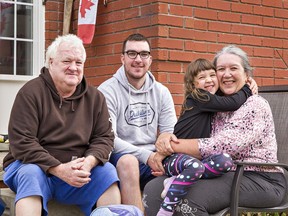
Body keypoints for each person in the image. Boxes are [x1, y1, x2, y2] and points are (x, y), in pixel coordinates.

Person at [143, 45, 287, 216]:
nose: (226, 74)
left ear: (246, 75)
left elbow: (224, 146)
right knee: (153, 189)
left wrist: (170, 147)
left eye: (234, 68)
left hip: (260, 178)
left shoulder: (255, 105)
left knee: (190, 198)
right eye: (220, 69)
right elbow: (190, 129)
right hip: (219, 172)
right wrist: (167, 139)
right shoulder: (214, 105)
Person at [3, 34, 121, 216]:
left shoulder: (95, 98)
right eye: (67, 61)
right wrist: (59, 169)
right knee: (30, 173)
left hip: (77, 170)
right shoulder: (30, 93)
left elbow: (104, 138)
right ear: (51, 62)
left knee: (107, 172)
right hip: (33, 166)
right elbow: (23, 143)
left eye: (79, 63)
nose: (73, 68)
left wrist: (89, 162)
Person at [156, 58, 253, 216]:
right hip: (174, 158)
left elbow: (225, 99)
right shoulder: (198, 96)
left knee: (226, 161)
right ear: (193, 84)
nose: (209, 80)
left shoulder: (210, 100)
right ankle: (165, 210)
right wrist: (247, 88)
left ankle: (176, 180)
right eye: (202, 78)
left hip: (195, 160)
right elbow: (231, 103)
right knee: (195, 166)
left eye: (212, 75)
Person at [98, 33, 177, 212]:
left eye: (143, 54)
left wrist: (160, 154)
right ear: (123, 58)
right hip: (120, 158)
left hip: (153, 157)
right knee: (129, 162)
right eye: (132, 54)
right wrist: (146, 156)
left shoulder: (161, 92)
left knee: (184, 162)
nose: (138, 60)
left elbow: (169, 132)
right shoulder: (107, 90)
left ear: (150, 59)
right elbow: (109, 139)